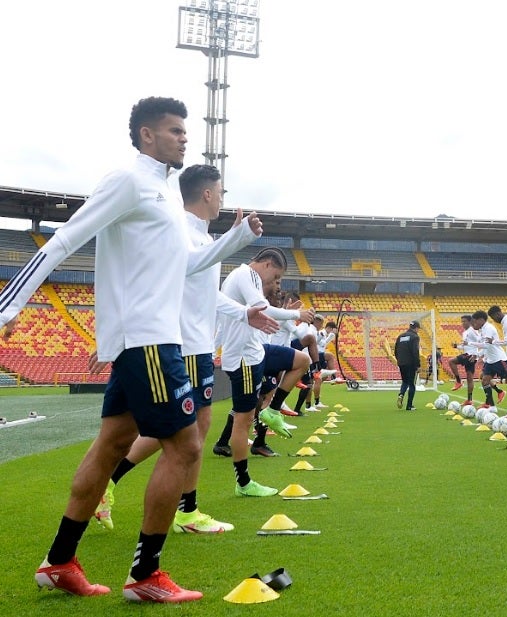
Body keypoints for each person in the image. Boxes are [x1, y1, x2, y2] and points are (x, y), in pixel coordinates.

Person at [0, 97, 263, 602]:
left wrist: (234, 239)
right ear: (146, 135)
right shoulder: (127, 180)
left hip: (146, 338)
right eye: (173, 130)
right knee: (185, 447)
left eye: (185, 130)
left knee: (112, 445)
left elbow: (183, 267)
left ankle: (59, 562)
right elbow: (64, 239)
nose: (184, 137)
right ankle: (144, 576)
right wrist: (7, 310)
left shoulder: (163, 192)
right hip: (147, 340)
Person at [94, 163, 276, 535]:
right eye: (221, 192)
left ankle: (122, 489)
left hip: (196, 344)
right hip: (184, 345)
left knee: (177, 430)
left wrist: (243, 313)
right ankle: (184, 511)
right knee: (184, 432)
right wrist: (235, 239)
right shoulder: (180, 232)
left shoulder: (204, 239)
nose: (223, 198)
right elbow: (187, 270)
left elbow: (207, 295)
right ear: (207, 194)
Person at [219, 247, 314, 497]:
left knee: (302, 360)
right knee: (244, 420)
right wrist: (298, 314)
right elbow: (263, 308)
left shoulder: (242, 277)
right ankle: (243, 483)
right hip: (243, 359)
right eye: (275, 278)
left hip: (257, 350)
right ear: (268, 264)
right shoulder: (245, 275)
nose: (275, 283)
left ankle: (272, 411)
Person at [468, 310, 507, 409]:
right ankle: (492, 407)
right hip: (490, 360)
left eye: (475, 321)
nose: (474, 324)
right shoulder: (482, 330)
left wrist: (470, 344)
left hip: (499, 359)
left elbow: (485, 345)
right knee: (484, 380)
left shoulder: (489, 328)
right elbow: (486, 347)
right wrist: (477, 355)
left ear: (481, 320)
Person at [394, 320, 422, 410]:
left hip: (401, 363)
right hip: (411, 363)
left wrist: (400, 361)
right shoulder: (415, 337)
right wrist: (418, 365)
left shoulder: (400, 336)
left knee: (404, 381)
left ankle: (401, 394)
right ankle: (409, 405)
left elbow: (396, 350)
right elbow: (415, 351)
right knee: (411, 384)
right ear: (417, 328)